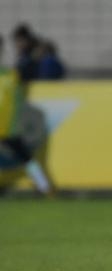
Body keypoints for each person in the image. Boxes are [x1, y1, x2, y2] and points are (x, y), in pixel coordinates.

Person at [0, 32, 54, 196]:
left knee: (27, 158)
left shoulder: (12, 74)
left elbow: (29, 65)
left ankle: (44, 187)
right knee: (27, 159)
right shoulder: (12, 75)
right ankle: (44, 187)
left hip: (8, 128)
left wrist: (34, 54)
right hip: (8, 128)